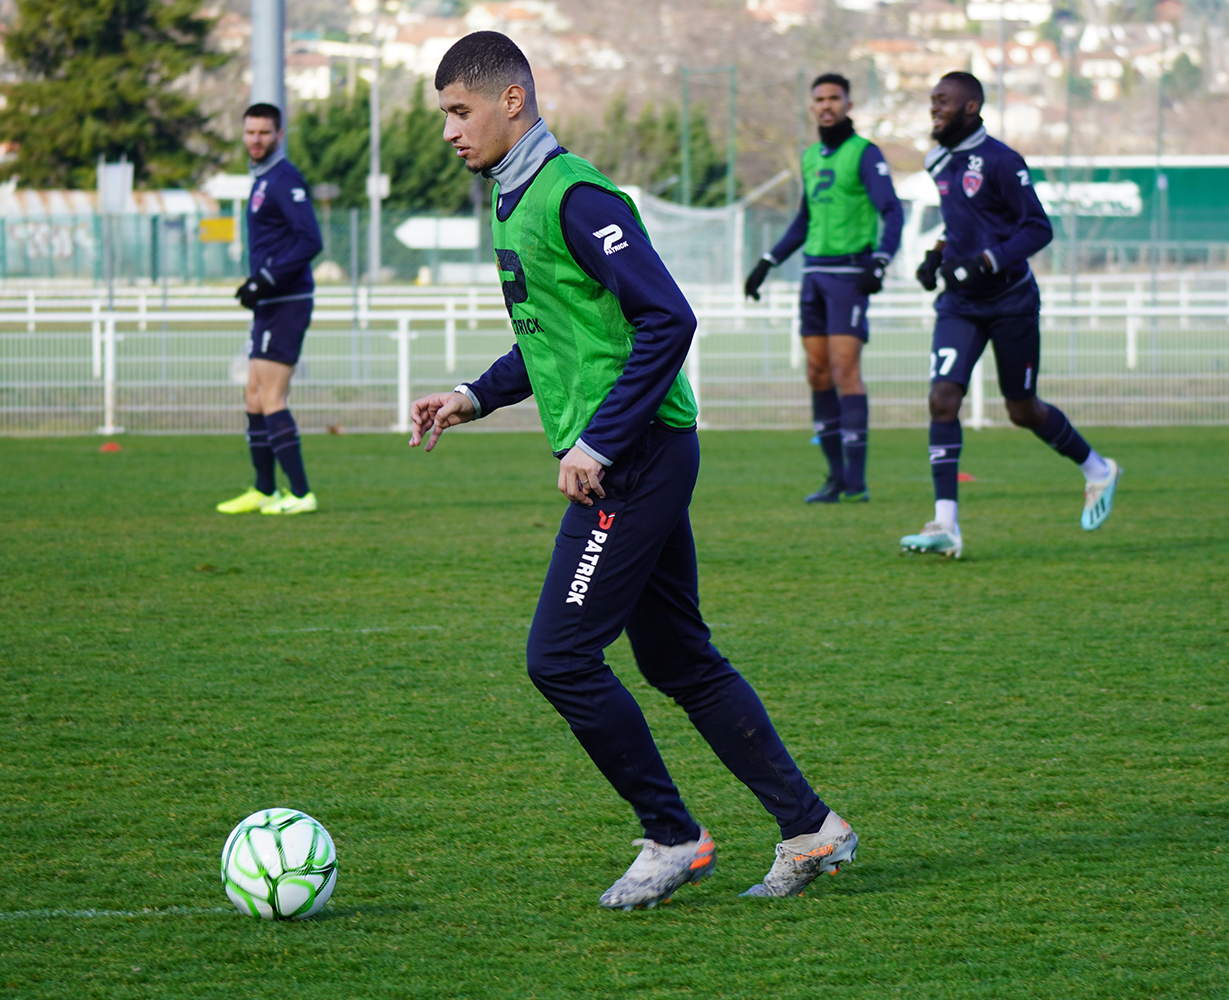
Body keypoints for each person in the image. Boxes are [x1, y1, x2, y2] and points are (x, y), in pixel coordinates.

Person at [409, 31, 857, 910]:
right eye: (444, 116)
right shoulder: (515, 198)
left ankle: (673, 837)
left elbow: (668, 320)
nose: (451, 132)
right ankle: (812, 829)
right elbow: (565, 340)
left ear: (512, 101)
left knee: (561, 656)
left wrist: (598, 442)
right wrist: (473, 394)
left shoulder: (576, 195)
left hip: (636, 458)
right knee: (678, 657)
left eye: (460, 111)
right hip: (631, 455)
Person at [903, 72, 1121, 558]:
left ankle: (1097, 469)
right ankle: (945, 524)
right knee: (943, 398)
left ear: (971, 106)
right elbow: (961, 218)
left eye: (944, 101)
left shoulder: (1002, 160)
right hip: (959, 304)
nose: (934, 108)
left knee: (1021, 409)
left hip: (1011, 302)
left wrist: (984, 262)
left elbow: (1038, 229)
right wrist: (936, 254)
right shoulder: (937, 158)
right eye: (932, 100)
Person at [744, 73, 902, 503]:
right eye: (819, 99)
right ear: (811, 107)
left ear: (849, 105)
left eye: (835, 98)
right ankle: (834, 478)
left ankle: (857, 480)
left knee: (845, 370)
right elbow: (804, 221)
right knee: (816, 373)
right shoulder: (812, 156)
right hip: (813, 275)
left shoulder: (865, 154)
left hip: (850, 276)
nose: (827, 105)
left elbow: (892, 210)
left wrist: (882, 260)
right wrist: (767, 261)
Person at [217, 103, 323, 517]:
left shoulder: (284, 179)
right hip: (270, 303)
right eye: (250, 132)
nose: (255, 140)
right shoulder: (261, 180)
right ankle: (264, 489)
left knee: (272, 395)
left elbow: (309, 240)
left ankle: (300, 493)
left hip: (287, 301)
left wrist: (266, 279)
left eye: (264, 133)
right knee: (254, 394)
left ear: (279, 135)